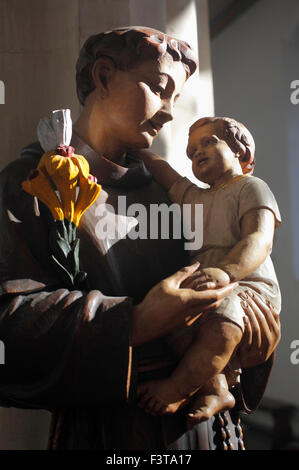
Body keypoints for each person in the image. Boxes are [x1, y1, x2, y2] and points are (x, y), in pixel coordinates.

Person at [0, 27, 280, 450]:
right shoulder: (33, 182)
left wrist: (254, 338)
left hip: (209, 430)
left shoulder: (170, 190)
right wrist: (137, 321)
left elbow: (228, 268)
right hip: (112, 432)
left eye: (176, 99)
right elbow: (10, 323)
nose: (168, 113)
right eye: (159, 88)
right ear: (104, 76)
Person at [136, 116, 281, 427]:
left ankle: (176, 389)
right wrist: (136, 148)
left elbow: (259, 239)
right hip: (208, 285)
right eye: (191, 151)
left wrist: (227, 272)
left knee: (222, 323)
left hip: (247, 286)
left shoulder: (251, 187)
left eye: (208, 142)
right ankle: (218, 388)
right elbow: (168, 175)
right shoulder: (195, 198)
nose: (197, 152)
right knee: (177, 325)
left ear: (241, 152)